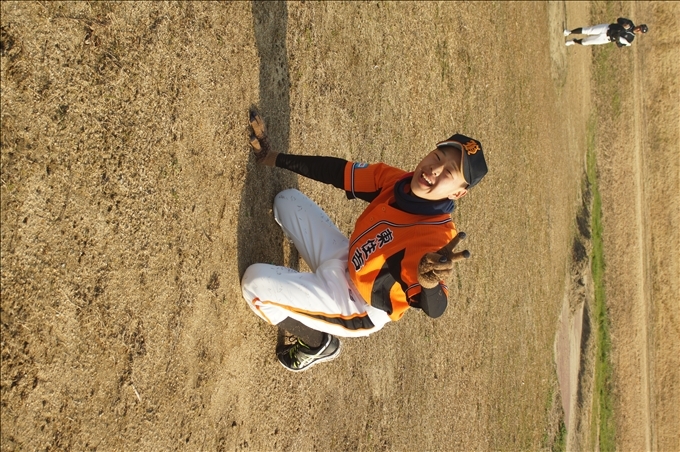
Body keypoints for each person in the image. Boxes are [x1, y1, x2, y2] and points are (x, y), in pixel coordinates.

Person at [241, 109, 488, 372]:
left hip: (357, 305)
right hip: (348, 260)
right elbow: (339, 172)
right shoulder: (399, 183)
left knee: (254, 283)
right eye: (438, 156)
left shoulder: (437, 238)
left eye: (449, 172)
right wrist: (273, 157)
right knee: (287, 200)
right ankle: (314, 296)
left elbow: (435, 308)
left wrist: (430, 285)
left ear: (458, 193)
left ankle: (318, 343)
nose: (435, 169)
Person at [564, 18, 648, 47]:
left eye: (640, 30)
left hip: (606, 38)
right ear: (639, 25)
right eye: (640, 27)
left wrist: (618, 40)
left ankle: (574, 41)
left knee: (586, 42)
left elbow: (620, 45)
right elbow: (619, 19)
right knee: (588, 30)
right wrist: (623, 24)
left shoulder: (630, 38)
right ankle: (569, 32)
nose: (638, 29)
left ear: (640, 33)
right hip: (607, 28)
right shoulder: (630, 23)